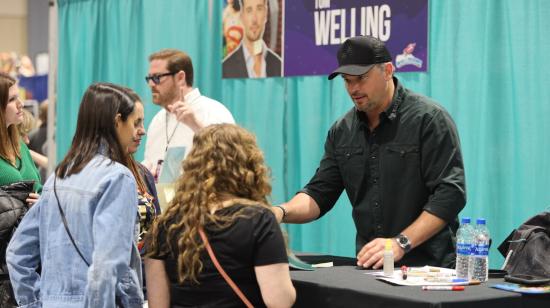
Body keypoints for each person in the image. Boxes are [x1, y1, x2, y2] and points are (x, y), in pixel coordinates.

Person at [272, 36, 466, 269]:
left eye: (361, 78)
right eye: (347, 80)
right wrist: (280, 212)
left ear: (387, 71)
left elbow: (450, 195)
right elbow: (319, 193)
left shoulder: (429, 120)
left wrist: (400, 243)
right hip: (372, 269)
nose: (353, 89)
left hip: (430, 270)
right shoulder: (342, 131)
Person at [6, 83, 144, 307]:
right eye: (135, 122)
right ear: (118, 121)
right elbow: (106, 268)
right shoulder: (118, 178)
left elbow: (17, 254)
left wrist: (34, 303)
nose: (141, 130)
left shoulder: (60, 175)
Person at [145, 124, 295, 308]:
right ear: (248, 166)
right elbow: (279, 301)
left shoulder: (166, 224)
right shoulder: (259, 220)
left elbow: (157, 304)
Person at [143, 49, 235, 179]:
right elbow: (150, 163)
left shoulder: (213, 111)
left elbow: (232, 160)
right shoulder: (157, 120)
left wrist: (195, 125)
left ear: (180, 77)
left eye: (157, 78)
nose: (151, 84)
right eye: (149, 78)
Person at [0, 72, 41, 307]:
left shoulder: (19, 145)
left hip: (27, 252)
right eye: (11, 99)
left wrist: (42, 201)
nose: (20, 103)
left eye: (20, 96)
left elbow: (40, 186)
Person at [222, 0, 282, 78]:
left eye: (259, 9)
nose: (254, 19)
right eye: (249, 10)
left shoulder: (278, 65)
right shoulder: (226, 14)